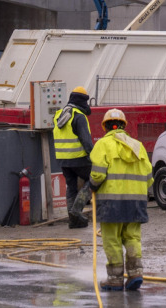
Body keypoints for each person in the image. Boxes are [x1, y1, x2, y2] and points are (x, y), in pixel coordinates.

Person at [89, 108, 152, 291]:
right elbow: (149, 177)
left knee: (112, 239)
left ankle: (115, 279)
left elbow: (98, 174)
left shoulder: (103, 144)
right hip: (136, 202)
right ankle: (135, 273)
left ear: (105, 127)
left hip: (111, 201)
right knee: (132, 237)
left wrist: (92, 186)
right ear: (124, 126)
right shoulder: (138, 146)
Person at [52, 85, 94, 229]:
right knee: (93, 179)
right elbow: (86, 142)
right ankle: (76, 210)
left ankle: (73, 220)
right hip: (79, 158)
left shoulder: (59, 115)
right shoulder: (79, 116)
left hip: (63, 160)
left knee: (71, 186)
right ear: (83, 101)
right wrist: (94, 157)